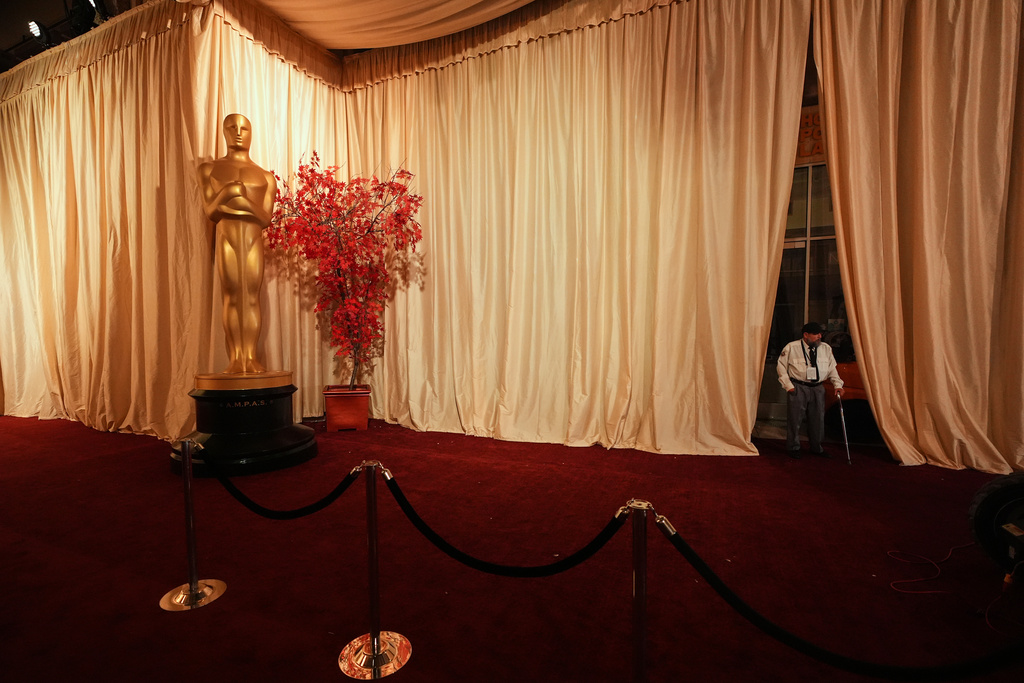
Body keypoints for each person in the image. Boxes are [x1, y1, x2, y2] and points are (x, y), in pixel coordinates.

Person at [199, 114, 277, 374]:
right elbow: (211, 210)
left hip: (253, 240)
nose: (238, 132)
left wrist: (239, 203)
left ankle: (251, 357)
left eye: (244, 127)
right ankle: (236, 359)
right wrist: (227, 192)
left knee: (251, 298)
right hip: (228, 239)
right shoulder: (210, 169)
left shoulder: (265, 176)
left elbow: (265, 218)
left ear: (251, 132)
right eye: (232, 127)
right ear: (224, 132)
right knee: (232, 296)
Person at [776, 322, 844, 458]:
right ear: (805, 335)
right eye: (816, 334)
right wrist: (788, 386)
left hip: (818, 388)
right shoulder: (791, 347)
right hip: (798, 387)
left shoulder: (825, 348)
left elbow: (832, 369)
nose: (819, 336)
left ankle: (816, 447)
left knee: (818, 419)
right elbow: (781, 367)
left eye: (820, 334)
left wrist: (838, 385)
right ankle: (793, 447)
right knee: (795, 419)